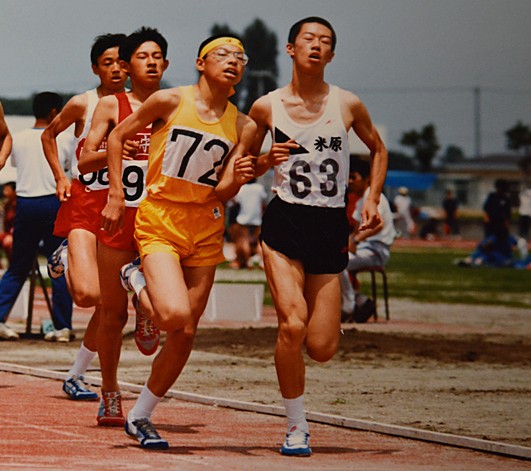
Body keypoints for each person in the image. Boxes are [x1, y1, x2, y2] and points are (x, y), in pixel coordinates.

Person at [103, 33, 256, 449]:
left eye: (240, 57)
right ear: (200, 63)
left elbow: (223, 190)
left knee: (186, 332)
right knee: (172, 315)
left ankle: (141, 415)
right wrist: (117, 194)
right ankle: (134, 278)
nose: (232, 61)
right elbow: (116, 137)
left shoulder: (245, 124)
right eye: (222, 54)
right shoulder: (170, 101)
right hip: (160, 216)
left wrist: (239, 177)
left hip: (206, 226)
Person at [248, 17, 388, 457]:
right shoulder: (266, 107)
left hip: (329, 226)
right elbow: (242, 164)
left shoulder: (347, 104)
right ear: (291, 49)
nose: (316, 46)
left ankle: (320, 331)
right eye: (308, 39)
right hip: (285, 222)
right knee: (292, 324)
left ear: (331, 55)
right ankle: (296, 426)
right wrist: (265, 159)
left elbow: (379, 150)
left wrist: (371, 199)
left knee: (322, 347)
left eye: (325, 42)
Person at [78, 27, 169, 427]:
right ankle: (110, 391)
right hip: (119, 215)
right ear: (128, 66)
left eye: (157, 56)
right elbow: (84, 162)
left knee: (164, 312)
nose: (151, 62)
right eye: (142, 56)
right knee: (111, 314)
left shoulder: (178, 105)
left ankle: (143, 299)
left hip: (163, 219)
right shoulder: (112, 106)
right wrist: (117, 148)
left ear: (166, 63)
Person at [42, 33, 127, 400]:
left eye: (122, 62)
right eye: (107, 63)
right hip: (85, 201)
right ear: (95, 67)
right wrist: (60, 176)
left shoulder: (146, 106)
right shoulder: (84, 103)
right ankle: (64, 253)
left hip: (123, 207)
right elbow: (48, 135)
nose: (116, 69)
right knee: (88, 296)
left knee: (110, 305)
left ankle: (77, 373)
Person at [0, 93, 73, 341]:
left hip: (26, 203)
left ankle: (0, 317)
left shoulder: (18, 139)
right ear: (54, 113)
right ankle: (62, 326)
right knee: (59, 266)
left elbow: (17, 165)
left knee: (18, 266)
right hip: (53, 202)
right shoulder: (62, 138)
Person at [340, 157, 396, 323]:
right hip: (365, 247)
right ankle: (359, 301)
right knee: (329, 260)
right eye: (348, 178)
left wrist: (356, 241)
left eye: (354, 177)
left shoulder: (374, 197)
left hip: (377, 249)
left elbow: (377, 224)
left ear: (367, 179)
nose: (350, 182)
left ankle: (349, 304)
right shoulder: (360, 200)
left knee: (338, 262)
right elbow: (356, 228)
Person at [228, 178, 267, 269]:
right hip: (257, 217)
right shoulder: (259, 188)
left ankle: (247, 261)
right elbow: (264, 201)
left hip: (244, 217)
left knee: (244, 240)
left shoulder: (242, 188)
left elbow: (235, 201)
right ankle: (262, 262)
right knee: (259, 241)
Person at [0, 182, 17, 267]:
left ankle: (13, 266)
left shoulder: (18, 204)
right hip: (7, 233)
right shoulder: (6, 204)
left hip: (16, 234)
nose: (4, 192)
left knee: (8, 243)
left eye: (7, 190)